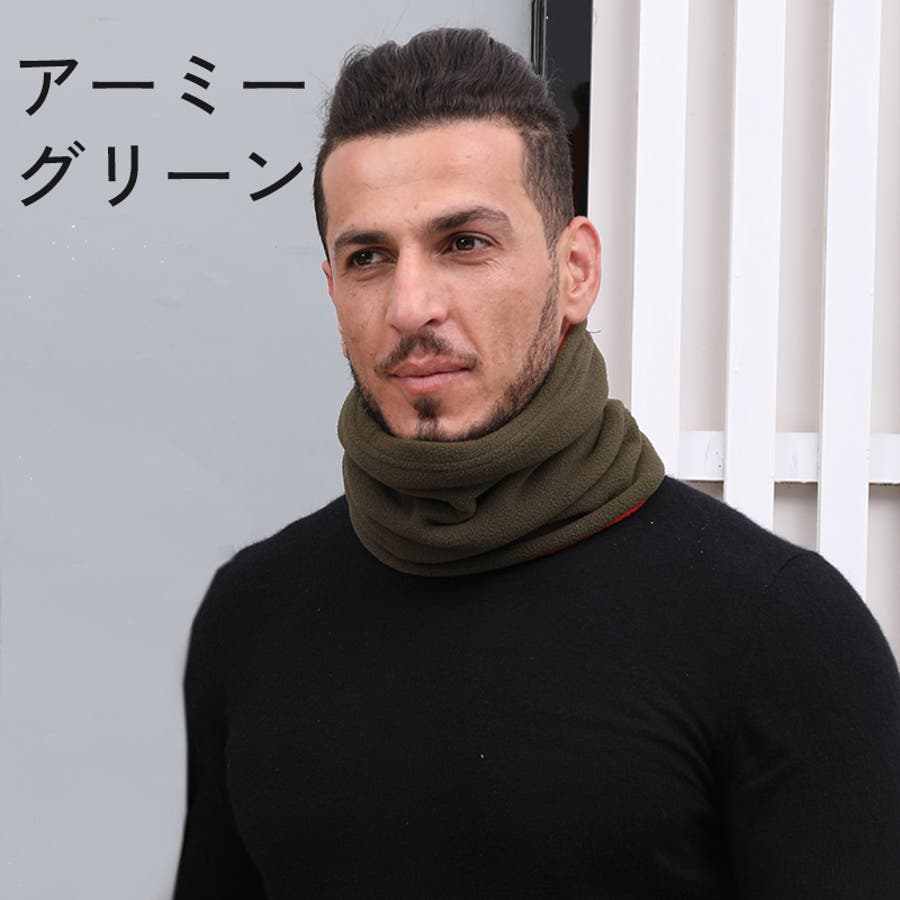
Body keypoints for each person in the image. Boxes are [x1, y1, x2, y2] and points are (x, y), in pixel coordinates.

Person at [172, 28, 900, 899]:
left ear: (576, 270)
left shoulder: (779, 629)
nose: (410, 306)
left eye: (464, 243)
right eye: (369, 258)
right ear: (333, 291)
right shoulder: (252, 615)